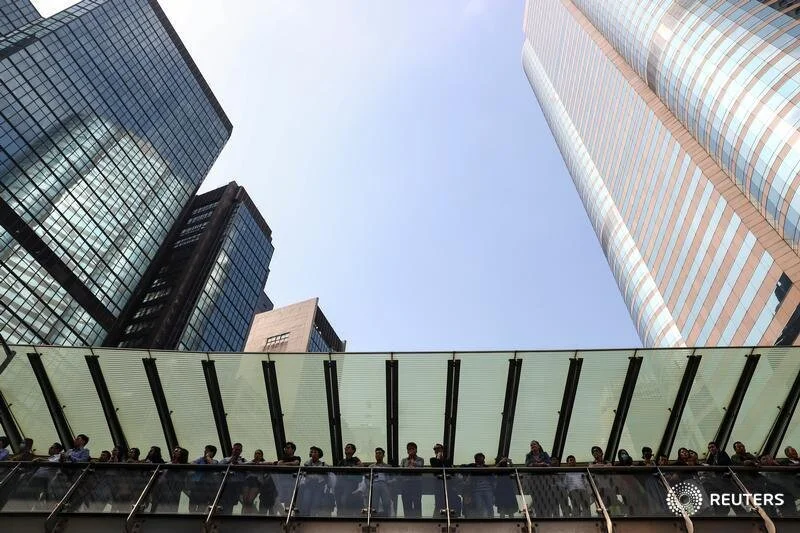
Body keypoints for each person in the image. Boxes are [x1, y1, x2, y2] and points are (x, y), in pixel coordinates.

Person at [298, 446, 331, 517]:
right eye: (312, 452)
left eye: (315, 452)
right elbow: (305, 474)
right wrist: (317, 474)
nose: (313, 453)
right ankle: (305, 516)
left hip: (319, 487)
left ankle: (313, 516)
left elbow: (327, 469)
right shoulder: (307, 463)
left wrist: (313, 475)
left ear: (319, 454)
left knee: (316, 502)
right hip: (309, 486)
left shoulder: (323, 464)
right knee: (306, 501)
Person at [190, 445, 220, 513]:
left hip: (206, 486)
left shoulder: (215, 461)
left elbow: (212, 465)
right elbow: (191, 464)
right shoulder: (200, 459)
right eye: (205, 450)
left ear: (212, 453)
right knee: (192, 503)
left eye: (207, 450)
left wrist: (208, 457)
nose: (205, 451)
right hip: (196, 484)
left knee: (202, 503)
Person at [336, 443, 363, 516]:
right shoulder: (341, 461)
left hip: (350, 483)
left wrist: (349, 467)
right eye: (345, 447)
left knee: (344, 499)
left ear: (353, 450)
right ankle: (340, 515)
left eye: (348, 447)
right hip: (340, 483)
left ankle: (345, 515)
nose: (346, 448)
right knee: (339, 500)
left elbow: (361, 467)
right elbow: (337, 472)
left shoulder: (355, 459)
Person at [399, 442, 424, 517]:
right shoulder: (404, 460)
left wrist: (413, 463)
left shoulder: (420, 459)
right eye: (409, 449)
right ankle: (407, 520)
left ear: (416, 450)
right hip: (406, 485)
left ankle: (418, 521)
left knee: (417, 503)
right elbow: (400, 470)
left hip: (417, 484)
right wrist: (408, 466)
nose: (411, 450)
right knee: (406, 503)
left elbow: (420, 467)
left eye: (412, 449)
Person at [466, 453, 494, 518]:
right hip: (476, 489)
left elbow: (493, 472)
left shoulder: (486, 468)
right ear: (476, 460)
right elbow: (463, 467)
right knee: (478, 505)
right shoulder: (473, 466)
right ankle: (480, 517)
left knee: (489, 504)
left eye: (482, 458)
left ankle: (491, 517)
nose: (481, 460)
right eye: (479, 458)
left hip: (487, 489)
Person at [430, 444, 454, 517]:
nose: (437, 451)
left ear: (442, 450)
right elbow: (436, 468)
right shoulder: (433, 459)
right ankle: (437, 516)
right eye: (435, 450)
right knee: (438, 501)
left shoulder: (447, 461)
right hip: (438, 483)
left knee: (449, 500)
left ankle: (449, 515)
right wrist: (438, 458)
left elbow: (449, 470)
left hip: (448, 483)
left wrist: (442, 459)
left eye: (439, 449)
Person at [370, 447, 394, 517]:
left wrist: (389, 482)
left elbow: (394, 478)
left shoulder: (388, 466)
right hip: (374, 484)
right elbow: (366, 478)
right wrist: (369, 485)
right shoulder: (371, 466)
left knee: (386, 502)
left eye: (379, 453)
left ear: (383, 455)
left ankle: (387, 517)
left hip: (384, 484)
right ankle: (374, 517)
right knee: (374, 503)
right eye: (376, 453)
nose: (377, 455)